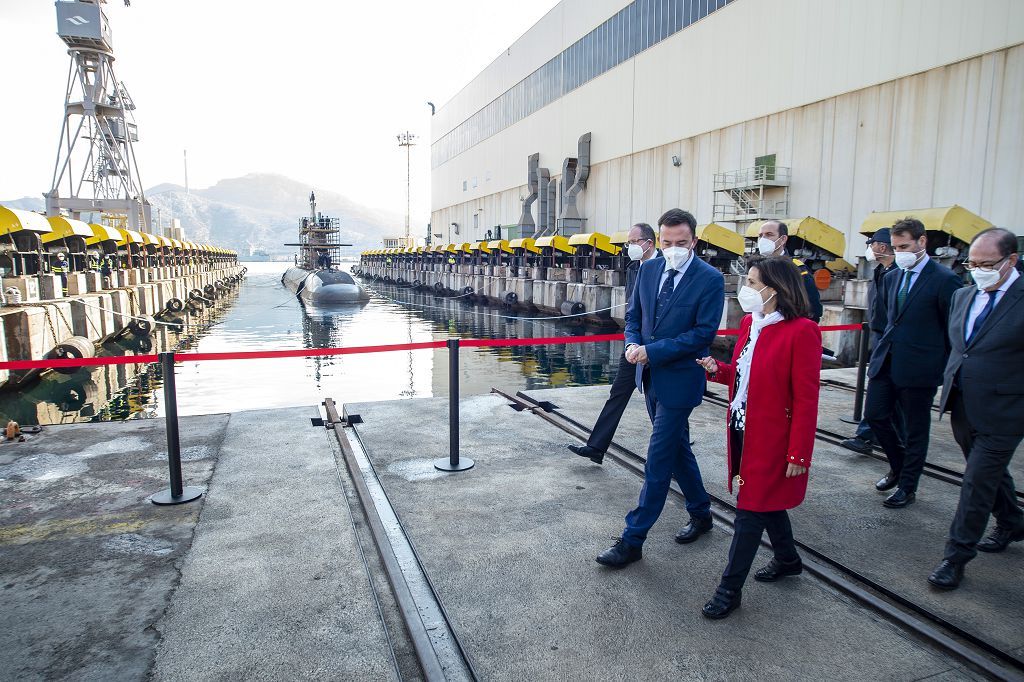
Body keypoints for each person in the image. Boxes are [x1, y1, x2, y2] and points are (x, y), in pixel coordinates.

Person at [595, 209, 724, 568]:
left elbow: (702, 334)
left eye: (681, 243)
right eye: (667, 243)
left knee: (658, 458)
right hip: (648, 377)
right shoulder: (649, 269)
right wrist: (631, 345)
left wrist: (651, 351)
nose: (673, 249)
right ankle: (701, 513)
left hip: (681, 380)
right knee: (677, 449)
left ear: (694, 241)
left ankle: (633, 539)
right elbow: (635, 316)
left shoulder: (709, 279)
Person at [696, 256, 821, 618]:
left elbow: (806, 398)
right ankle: (788, 559)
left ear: (776, 288)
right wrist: (718, 370)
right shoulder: (751, 323)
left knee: (749, 512)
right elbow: (744, 375)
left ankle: (729, 589)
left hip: (774, 438)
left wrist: (799, 454)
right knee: (767, 502)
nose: (745, 289)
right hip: (741, 427)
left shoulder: (802, 331)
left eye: (752, 282)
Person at [928, 228, 1024, 590]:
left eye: (987, 264)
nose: (978, 270)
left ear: (1011, 260)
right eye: (973, 263)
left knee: (976, 482)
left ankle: (956, 556)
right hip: (963, 403)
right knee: (987, 473)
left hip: (1007, 409)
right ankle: (1013, 520)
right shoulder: (964, 295)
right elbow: (961, 348)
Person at [864, 217, 960, 508]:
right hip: (887, 360)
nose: (899, 251)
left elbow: (951, 328)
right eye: (895, 246)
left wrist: (941, 366)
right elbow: (890, 320)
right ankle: (899, 464)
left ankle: (908, 485)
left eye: (904, 245)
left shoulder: (945, 280)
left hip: (921, 367)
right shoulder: (892, 277)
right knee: (876, 415)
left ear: (922, 242)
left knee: (916, 430)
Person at [569, 223, 658, 464]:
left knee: (661, 401)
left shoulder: (665, 268)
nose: (629, 247)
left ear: (649, 243)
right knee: (618, 393)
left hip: (658, 348)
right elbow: (632, 311)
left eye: (633, 241)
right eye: (628, 242)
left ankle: (673, 451)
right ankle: (596, 447)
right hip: (634, 344)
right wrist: (631, 343)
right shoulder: (633, 269)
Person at [841, 228, 905, 455]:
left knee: (889, 390)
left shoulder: (897, 274)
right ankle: (870, 435)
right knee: (883, 389)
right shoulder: (880, 271)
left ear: (883, 246)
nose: (870, 248)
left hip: (891, 339)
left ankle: (872, 435)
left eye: (873, 243)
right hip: (879, 336)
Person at [755, 220, 823, 322]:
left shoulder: (797, 270)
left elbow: (813, 310)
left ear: (783, 239)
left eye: (769, 235)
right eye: (760, 235)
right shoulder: (756, 268)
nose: (763, 239)